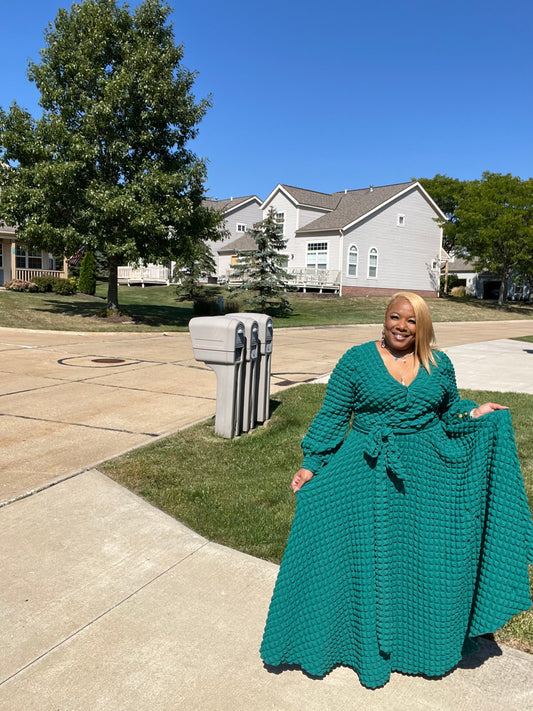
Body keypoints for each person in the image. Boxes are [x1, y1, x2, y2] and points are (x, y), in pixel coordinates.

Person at [260, 292, 533, 690]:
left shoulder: (438, 364)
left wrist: (475, 414)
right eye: (395, 318)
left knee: (418, 557)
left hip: (425, 471)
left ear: (422, 327)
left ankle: (419, 643)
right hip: (364, 465)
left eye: (411, 321)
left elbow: (449, 410)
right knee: (349, 552)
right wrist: (311, 463)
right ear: (384, 319)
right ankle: (345, 642)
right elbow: (334, 414)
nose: (401, 327)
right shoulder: (356, 359)